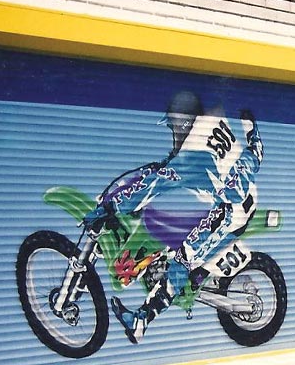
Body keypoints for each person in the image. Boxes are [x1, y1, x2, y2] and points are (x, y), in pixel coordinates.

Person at [84, 91, 263, 343]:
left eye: (174, 128)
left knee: (183, 259)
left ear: (183, 124)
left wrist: (110, 207)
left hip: (228, 213)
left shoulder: (189, 157)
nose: (173, 134)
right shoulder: (216, 129)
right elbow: (254, 153)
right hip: (242, 201)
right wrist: (251, 131)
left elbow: (151, 186)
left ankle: (142, 320)